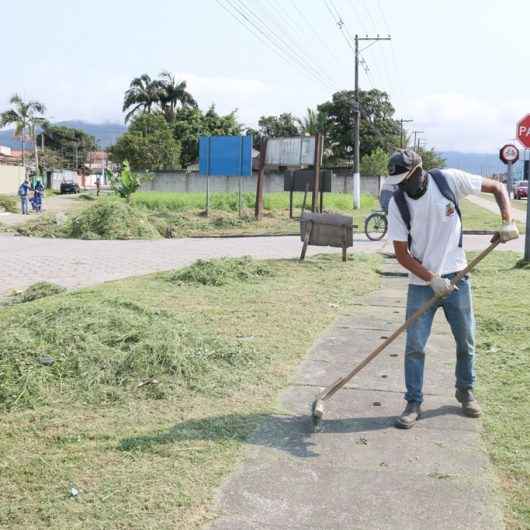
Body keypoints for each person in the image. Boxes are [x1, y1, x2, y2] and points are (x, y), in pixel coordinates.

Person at [385, 149, 519, 429]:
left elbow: (497, 187)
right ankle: (413, 401)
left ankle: (465, 390)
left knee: (466, 339)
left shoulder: (448, 181)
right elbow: (402, 254)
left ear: (418, 172)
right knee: (414, 346)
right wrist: (432, 278)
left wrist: (507, 220)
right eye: (397, 182)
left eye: (405, 180)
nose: (401, 187)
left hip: (458, 276)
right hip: (422, 284)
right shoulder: (398, 204)